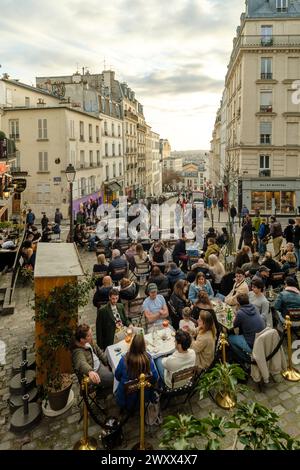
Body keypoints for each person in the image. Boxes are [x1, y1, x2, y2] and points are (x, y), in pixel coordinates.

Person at [115, 334, 159, 410]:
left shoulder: (124, 360)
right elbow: (155, 378)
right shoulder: (148, 358)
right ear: (143, 346)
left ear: (132, 345)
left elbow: (117, 376)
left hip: (126, 399)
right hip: (144, 398)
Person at [72, 324, 113, 391]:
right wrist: (90, 371)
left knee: (116, 369)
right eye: (89, 335)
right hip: (96, 371)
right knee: (116, 378)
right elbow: (81, 362)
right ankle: (104, 393)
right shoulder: (78, 351)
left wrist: (107, 363)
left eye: (91, 333)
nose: (91, 336)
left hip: (100, 365)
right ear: (82, 339)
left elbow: (99, 352)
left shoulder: (89, 341)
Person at [228, 293, 265, 361]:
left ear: (238, 303)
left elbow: (233, 325)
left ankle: (244, 358)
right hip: (261, 339)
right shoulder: (254, 307)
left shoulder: (240, 313)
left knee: (230, 338)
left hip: (251, 342)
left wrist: (236, 311)